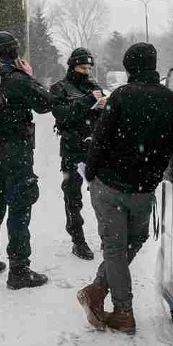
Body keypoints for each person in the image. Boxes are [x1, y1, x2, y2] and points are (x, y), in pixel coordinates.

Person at [76, 42, 173, 334]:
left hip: (110, 184)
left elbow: (100, 139)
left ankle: (122, 310)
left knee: (115, 249)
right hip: (144, 189)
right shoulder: (171, 100)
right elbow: (172, 143)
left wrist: (91, 173)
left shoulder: (121, 96)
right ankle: (98, 290)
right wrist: (154, 172)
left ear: (129, 68)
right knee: (134, 241)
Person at [0, 31, 57, 290]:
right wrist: (28, 75)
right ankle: (19, 271)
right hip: (17, 153)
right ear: (13, 54)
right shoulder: (16, 79)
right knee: (19, 208)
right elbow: (45, 103)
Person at [50, 47, 106, 260]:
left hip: (95, 149)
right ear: (72, 66)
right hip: (72, 150)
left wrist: (104, 106)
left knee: (102, 197)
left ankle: (106, 236)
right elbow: (62, 115)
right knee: (73, 197)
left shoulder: (94, 87)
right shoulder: (60, 88)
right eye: (82, 67)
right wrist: (87, 102)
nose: (86, 71)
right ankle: (78, 240)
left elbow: (105, 116)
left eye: (89, 67)